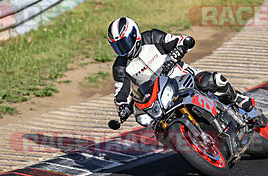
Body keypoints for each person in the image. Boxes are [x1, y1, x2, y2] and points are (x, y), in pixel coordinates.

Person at [107, 16, 255, 122]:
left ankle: (237, 98)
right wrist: (123, 108)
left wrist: (180, 48)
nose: (123, 49)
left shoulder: (152, 37)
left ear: (134, 35)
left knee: (213, 80)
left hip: (182, 77)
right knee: (157, 125)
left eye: (124, 43)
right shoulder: (120, 67)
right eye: (118, 46)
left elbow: (180, 40)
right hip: (159, 98)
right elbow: (121, 92)